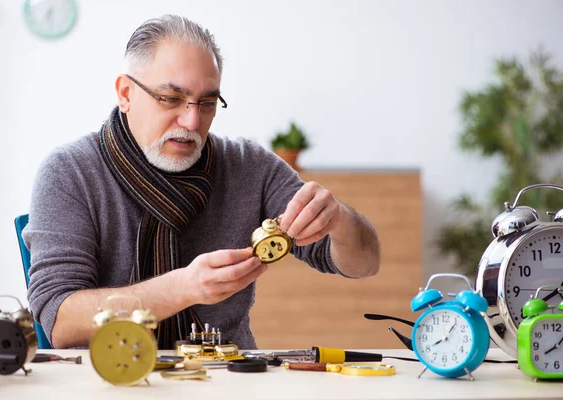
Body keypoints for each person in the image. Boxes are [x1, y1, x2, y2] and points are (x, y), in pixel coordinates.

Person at [23, 14, 380, 350]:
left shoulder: (249, 166)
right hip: (111, 379)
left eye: (207, 103)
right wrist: (182, 288)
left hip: (226, 380)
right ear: (125, 94)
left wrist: (339, 221)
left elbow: (365, 264)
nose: (192, 121)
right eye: (171, 98)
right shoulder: (69, 172)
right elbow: (59, 321)